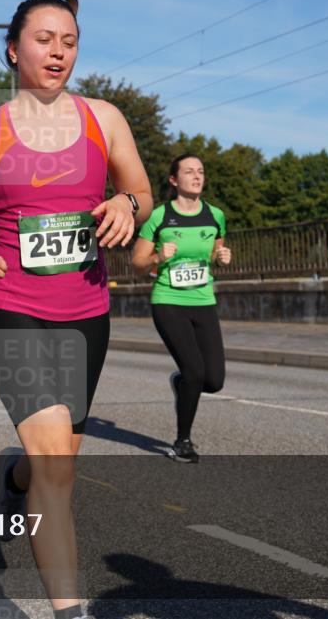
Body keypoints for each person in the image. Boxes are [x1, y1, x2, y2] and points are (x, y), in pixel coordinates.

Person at [0, 0, 152, 619]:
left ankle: (11, 478)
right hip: (11, 308)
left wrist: (128, 206)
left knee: (54, 463)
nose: (58, 52)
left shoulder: (106, 118)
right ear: (14, 49)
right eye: (45, 39)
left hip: (86, 310)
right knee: (57, 470)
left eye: (69, 41)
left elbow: (141, 190)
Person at [132, 154, 231, 464]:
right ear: (174, 180)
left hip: (203, 301)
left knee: (213, 380)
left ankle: (180, 383)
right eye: (189, 171)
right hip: (168, 302)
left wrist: (222, 257)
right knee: (194, 370)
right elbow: (137, 264)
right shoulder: (158, 217)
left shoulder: (215, 215)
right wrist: (158, 257)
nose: (197, 176)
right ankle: (182, 442)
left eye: (201, 171)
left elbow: (217, 249)